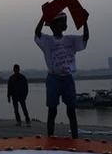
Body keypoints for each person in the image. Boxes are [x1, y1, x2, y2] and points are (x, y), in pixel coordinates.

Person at [34, 11, 89, 139]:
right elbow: (37, 33)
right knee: (52, 109)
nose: (64, 24)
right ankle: (50, 136)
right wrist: (43, 16)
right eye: (62, 21)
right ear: (53, 25)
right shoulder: (47, 41)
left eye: (65, 21)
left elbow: (85, 38)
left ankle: (75, 137)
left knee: (71, 110)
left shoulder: (70, 40)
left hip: (67, 78)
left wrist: (85, 22)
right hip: (53, 78)